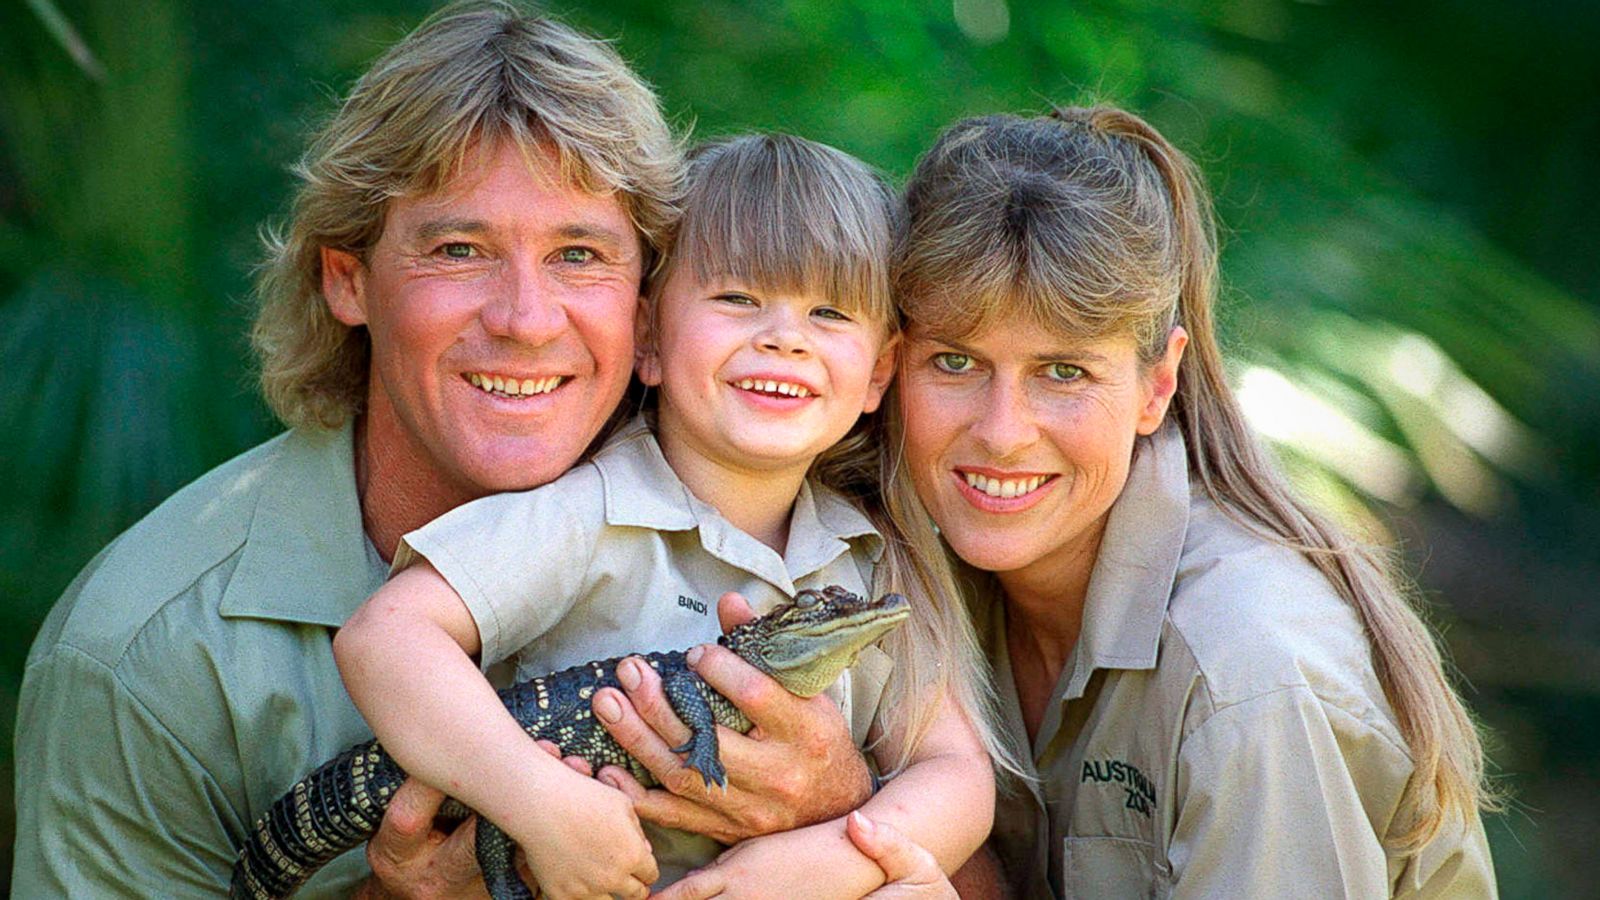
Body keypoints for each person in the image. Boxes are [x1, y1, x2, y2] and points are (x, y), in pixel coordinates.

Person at [11, 5, 874, 896]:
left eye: (580, 255)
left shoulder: (791, 510)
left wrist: (843, 799)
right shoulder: (142, 654)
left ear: (645, 303)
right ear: (348, 281)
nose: (527, 322)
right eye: (460, 250)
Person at [334, 133, 1005, 898]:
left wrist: (835, 862)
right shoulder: (585, 512)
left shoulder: (875, 556)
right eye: (737, 299)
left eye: (828, 311)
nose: (784, 337)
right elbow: (385, 638)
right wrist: (540, 802)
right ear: (648, 338)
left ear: (877, 374)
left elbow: (956, 773)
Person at [862, 105, 1499, 897]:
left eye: (1064, 373)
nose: (1002, 433)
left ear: (1156, 385)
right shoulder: (890, 582)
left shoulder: (1251, 678)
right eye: (955, 362)